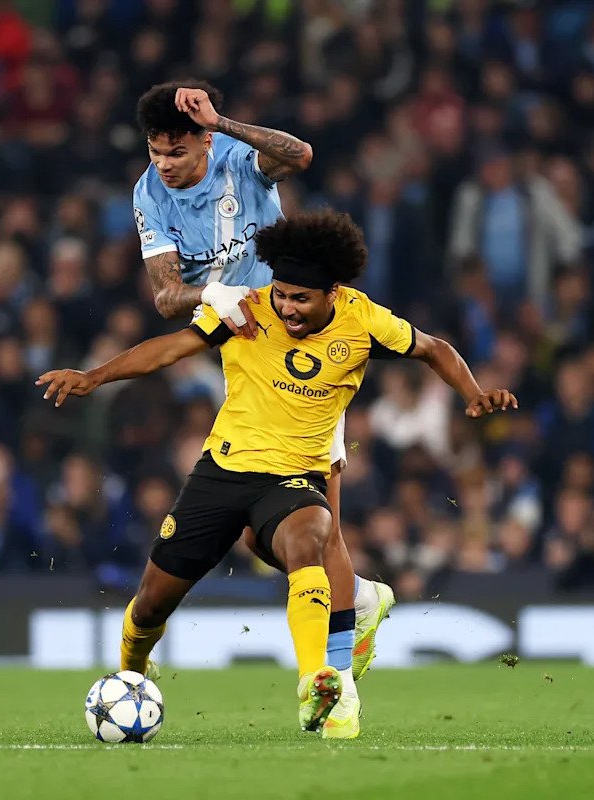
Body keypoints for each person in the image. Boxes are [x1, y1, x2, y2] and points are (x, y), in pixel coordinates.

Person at [37, 210, 517, 737]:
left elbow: (434, 349)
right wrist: (95, 377)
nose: (286, 307)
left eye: (300, 299)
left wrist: (473, 394)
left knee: (310, 538)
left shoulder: (363, 320)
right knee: (151, 605)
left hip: (295, 479)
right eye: (282, 294)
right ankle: (131, 669)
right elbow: (171, 348)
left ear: (332, 293)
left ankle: (316, 681)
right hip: (223, 472)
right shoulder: (245, 309)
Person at [131, 82, 395, 707]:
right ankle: (361, 596)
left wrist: (224, 121)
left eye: (176, 151)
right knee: (257, 535)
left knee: (322, 529)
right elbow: (165, 297)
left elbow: (299, 155)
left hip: (301, 341)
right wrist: (209, 293)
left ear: (205, 139)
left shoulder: (237, 157)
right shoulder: (148, 194)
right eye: (155, 151)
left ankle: (336, 682)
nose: (163, 164)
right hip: (241, 349)